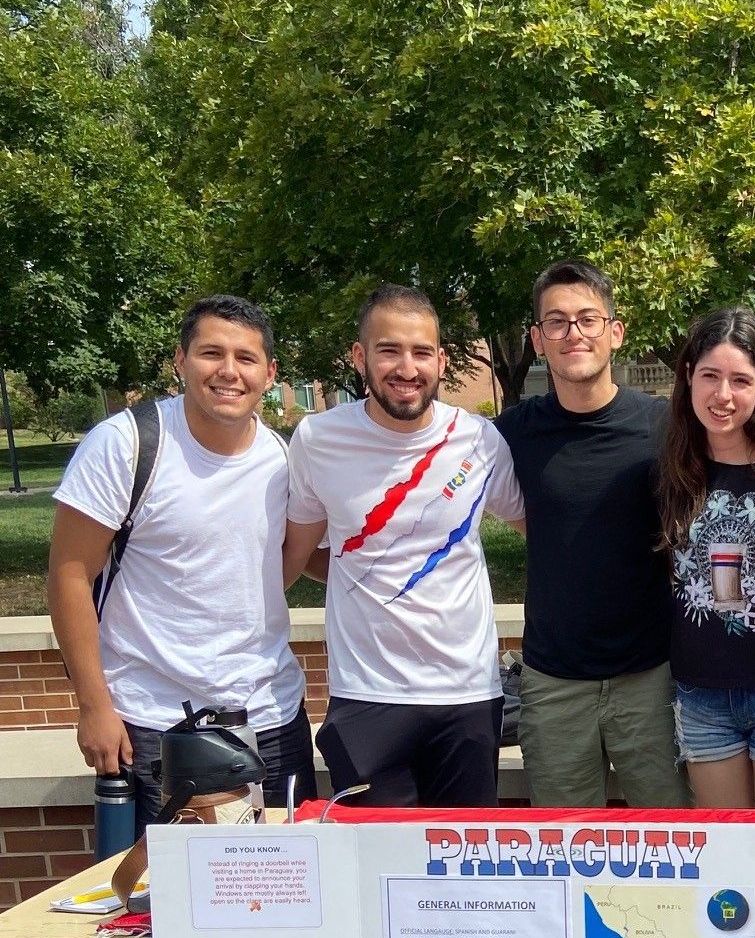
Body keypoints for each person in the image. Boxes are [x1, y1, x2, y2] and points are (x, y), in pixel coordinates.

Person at [48, 295, 316, 836]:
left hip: (271, 716)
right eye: (211, 353)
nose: (229, 371)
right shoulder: (126, 445)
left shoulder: (283, 459)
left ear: (269, 374)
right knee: (165, 886)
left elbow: (276, 569)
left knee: (287, 880)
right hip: (154, 722)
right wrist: (94, 705)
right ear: (180, 360)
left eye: (246, 358)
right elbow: (69, 575)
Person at [281, 284, 524, 808]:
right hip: (367, 693)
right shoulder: (318, 440)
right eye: (389, 350)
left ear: (441, 360)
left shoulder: (480, 440)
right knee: (375, 854)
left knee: (464, 853)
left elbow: (541, 534)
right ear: (360, 357)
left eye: (421, 352)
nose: (407, 368)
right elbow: (293, 556)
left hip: (467, 692)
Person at [496, 262, 686, 807]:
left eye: (587, 319)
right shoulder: (512, 434)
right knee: (564, 843)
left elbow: (747, 449)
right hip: (554, 683)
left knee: (673, 837)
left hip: (652, 677)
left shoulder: (664, 426)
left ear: (615, 331)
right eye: (556, 322)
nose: (573, 333)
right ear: (538, 340)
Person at [658, 309, 755, 808]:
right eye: (710, 376)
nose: (723, 395)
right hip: (700, 695)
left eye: (741, 380)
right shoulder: (669, 472)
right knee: (729, 844)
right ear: (688, 377)